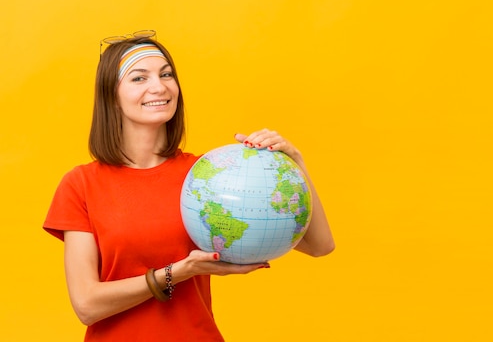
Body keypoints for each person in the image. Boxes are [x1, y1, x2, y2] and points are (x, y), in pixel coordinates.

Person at [43, 34, 335, 341]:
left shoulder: (208, 177)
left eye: (166, 74)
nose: (159, 86)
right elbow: (87, 305)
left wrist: (294, 163)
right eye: (139, 77)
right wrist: (180, 272)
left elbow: (319, 246)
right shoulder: (81, 184)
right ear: (111, 96)